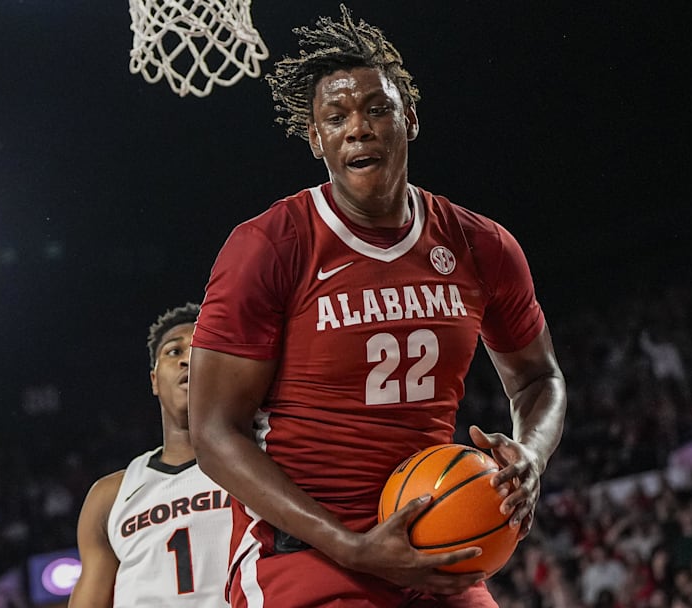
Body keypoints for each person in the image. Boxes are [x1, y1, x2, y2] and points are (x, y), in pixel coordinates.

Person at [188, 5, 567, 607]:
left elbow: (538, 378)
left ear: (408, 119)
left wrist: (532, 454)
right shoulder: (270, 245)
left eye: (376, 109)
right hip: (307, 553)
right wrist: (352, 546)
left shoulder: (480, 244)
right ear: (316, 139)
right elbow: (213, 432)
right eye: (336, 117)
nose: (357, 128)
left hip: (433, 541)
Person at [69, 303, 232, 607]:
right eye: (174, 351)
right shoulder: (109, 496)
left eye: (202, 349)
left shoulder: (262, 464)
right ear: (154, 380)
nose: (187, 359)